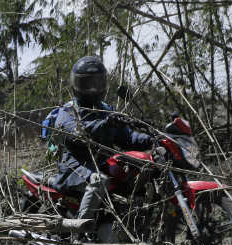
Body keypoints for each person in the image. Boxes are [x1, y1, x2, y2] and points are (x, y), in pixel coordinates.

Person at [47, 56, 155, 226]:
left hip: (102, 162)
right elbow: (78, 135)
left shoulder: (106, 110)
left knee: (138, 172)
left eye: (97, 82)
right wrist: (105, 124)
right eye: (87, 83)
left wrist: (152, 139)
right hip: (75, 166)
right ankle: (81, 235)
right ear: (76, 84)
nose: (92, 88)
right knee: (99, 181)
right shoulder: (68, 111)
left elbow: (127, 138)